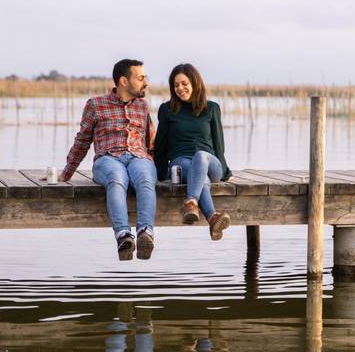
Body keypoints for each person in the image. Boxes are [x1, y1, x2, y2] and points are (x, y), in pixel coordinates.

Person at [58, 58, 157, 260]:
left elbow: (151, 141)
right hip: (108, 159)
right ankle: (123, 237)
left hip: (139, 157)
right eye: (140, 78)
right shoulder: (95, 105)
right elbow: (83, 140)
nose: (146, 82)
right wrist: (66, 173)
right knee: (117, 178)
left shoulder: (142, 106)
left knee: (146, 178)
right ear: (123, 81)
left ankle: (145, 233)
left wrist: (163, 171)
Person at [154, 63, 233, 240]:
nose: (180, 88)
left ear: (195, 83)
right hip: (181, 162)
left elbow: (219, 144)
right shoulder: (167, 110)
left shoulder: (212, 108)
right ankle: (213, 217)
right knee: (198, 174)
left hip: (211, 163)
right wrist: (159, 173)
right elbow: (161, 145)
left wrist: (226, 172)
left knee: (201, 156)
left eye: (184, 83)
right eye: (176, 85)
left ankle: (191, 202)